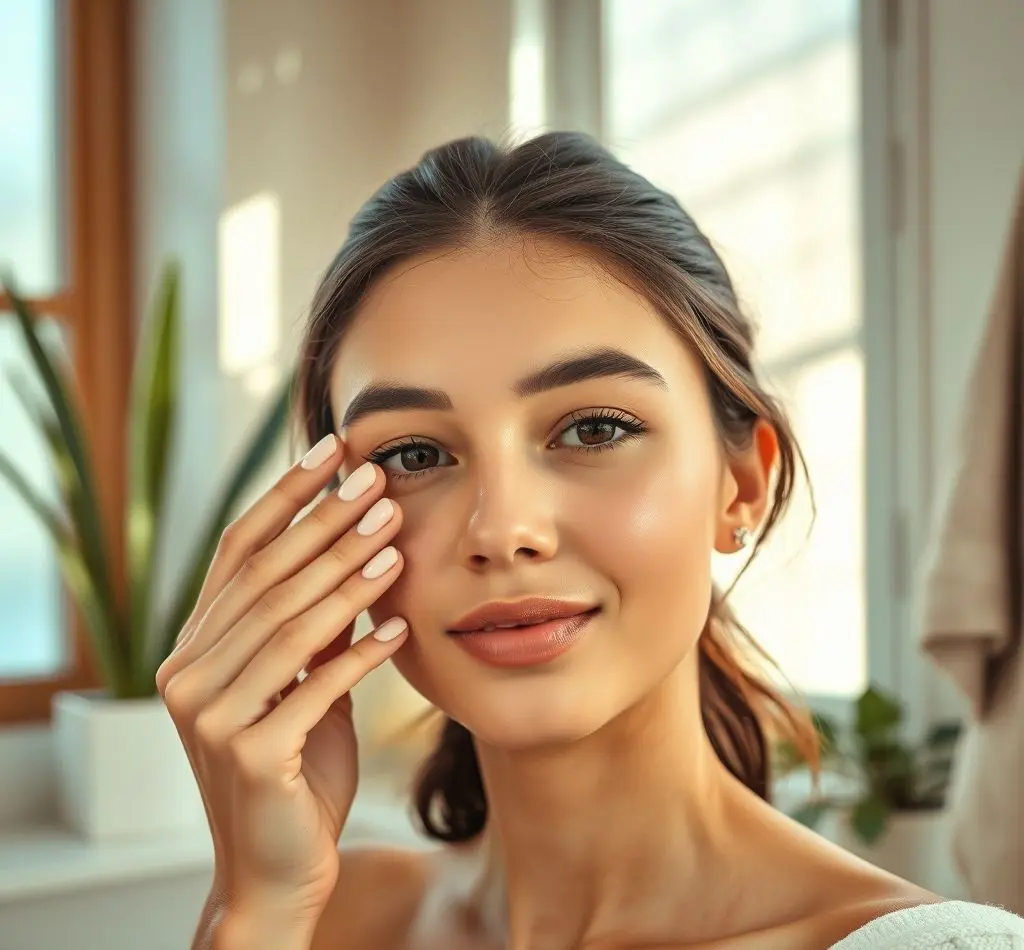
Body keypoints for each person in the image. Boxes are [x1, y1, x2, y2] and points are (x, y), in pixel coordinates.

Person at [157, 132, 1024, 950]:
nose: (502, 530)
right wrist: (256, 909)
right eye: (414, 454)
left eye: (595, 430)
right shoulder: (319, 916)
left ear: (743, 484)